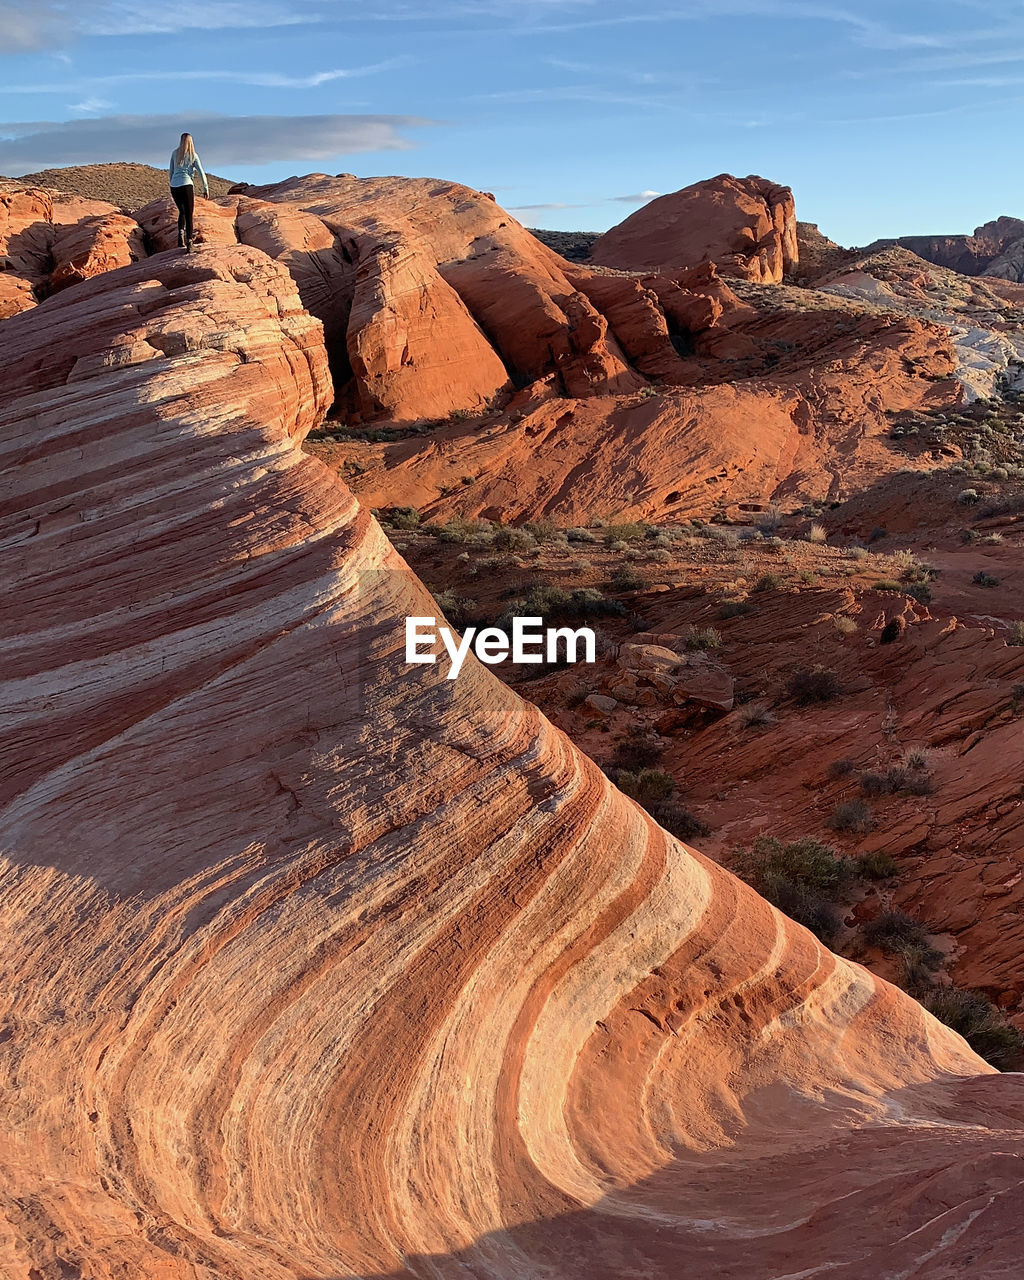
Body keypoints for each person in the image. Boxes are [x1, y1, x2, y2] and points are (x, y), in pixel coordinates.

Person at [168, 132, 209, 252]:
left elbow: (171, 171)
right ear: (191, 142)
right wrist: (205, 188)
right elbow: (201, 172)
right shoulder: (193, 156)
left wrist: (173, 184)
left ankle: (180, 238)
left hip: (174, 186)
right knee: (189, 213)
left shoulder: (174, 153)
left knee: (182, 212)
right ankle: (190, 244)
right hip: (186, 185)